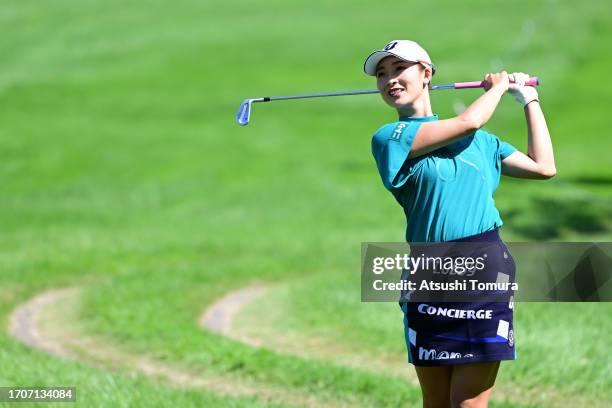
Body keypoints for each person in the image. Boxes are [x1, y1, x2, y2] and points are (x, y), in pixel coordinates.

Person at [364, 40, 556, 408]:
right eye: (382, 75)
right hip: (428, 276)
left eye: (398, 69)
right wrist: (500, 86)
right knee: (435, 403)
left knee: (468, 405)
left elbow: (544, 166)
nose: (389, 80)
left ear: (426, 74)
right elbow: (469, 120)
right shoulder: (390, 138)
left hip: (485, 271)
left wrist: (528, 98)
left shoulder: (484, 144)